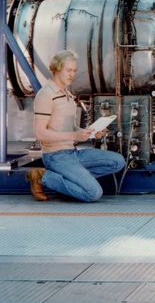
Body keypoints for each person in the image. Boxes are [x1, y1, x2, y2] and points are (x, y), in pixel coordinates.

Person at [26, 50, 125, 202]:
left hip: (73, 153)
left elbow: (70, 129)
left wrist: (90, 132)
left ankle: (74, 179)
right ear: (57, 69)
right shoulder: (46, 95)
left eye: (74, 71)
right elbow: (39, 133)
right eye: (68, 70)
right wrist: (74, 136)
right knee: (93, 193)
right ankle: (42, 177)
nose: (72, 74)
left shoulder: (68, 94)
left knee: (118, 161)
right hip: (55, 156)